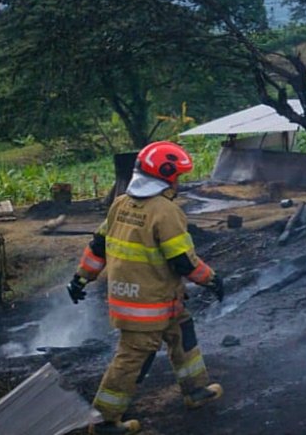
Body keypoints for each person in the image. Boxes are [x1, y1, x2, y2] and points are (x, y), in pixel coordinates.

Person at [67, 141, 225, 435]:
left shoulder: (121, 204)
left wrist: (80, 278)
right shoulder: (165, 211)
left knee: (181, 335)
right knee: (131, 359)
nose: (179, 182)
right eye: (177, 176)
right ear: (165, 176)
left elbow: (98, 246)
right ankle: (105, 421)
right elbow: (183, 262)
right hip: (149, 305)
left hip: (153, 300)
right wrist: (212, 279)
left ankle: (196, 391)